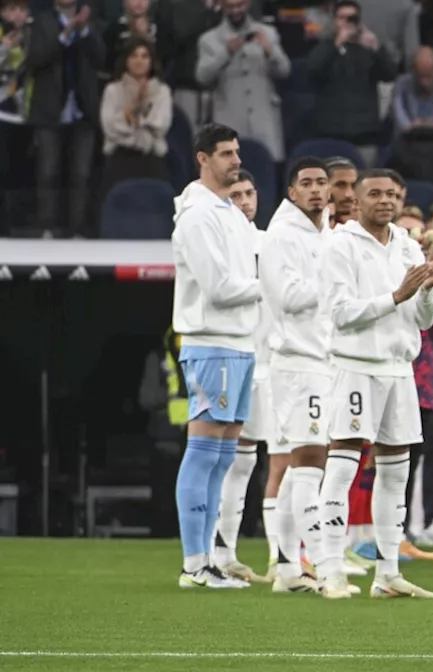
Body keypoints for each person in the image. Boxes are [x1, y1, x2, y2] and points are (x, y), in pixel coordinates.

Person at [316, 168, 433, 600]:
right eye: (374, 193)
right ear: (357, 199)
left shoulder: (409, 246)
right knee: (343, 463)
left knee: (397, 468)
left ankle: (387, 573)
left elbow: (424, 319)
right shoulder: (340, 245)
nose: (385, 200)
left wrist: (427, 288)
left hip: (399, 367)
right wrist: (397, 294)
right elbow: (339, 312)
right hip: (355, 364)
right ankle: (332, 569)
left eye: (393, 194)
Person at [170, 122, 261, 589]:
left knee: (223, 458)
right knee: (203, 453)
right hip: (212, 343)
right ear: (202, 159)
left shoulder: (230, 214)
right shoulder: (198, 216)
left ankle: (206, 559)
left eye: (236, 151)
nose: (234, 159)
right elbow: (220, 289)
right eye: (224, 153)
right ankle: (193, 564)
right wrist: (274, 289)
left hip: (240, 344)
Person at [258, 156, 345, 594]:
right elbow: (289, 297)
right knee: (309, 463)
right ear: (292, 192)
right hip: (296, 363)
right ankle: (327, 566)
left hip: (323, 360)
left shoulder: (326, 233)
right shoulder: (280, 237)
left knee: (301, 468)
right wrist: (336, 284)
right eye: (306, 183)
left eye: (321, 182)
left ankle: (290, 567)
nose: (315, 189)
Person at [209, 169, 269, 584]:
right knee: (230, 462)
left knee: (256, 463)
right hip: (233, 358)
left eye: (249, 193)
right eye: (235, 195)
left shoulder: (270, 243)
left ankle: (286, 556)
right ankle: (218, 551)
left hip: (274, 362)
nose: (245, 201)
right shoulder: (218, 246)